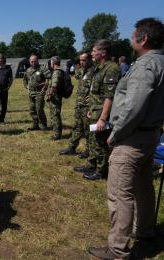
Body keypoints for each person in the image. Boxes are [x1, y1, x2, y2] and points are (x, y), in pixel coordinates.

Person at [89, 18, 164, 260]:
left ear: (143, 39)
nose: (130, 39)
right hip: (150, 135)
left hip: (132, 138)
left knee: (120, 195)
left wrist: (116, 133)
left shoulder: (145, 66)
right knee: (143, 187)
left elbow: (134, 107)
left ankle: (117, 249)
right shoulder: (160, 62)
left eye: (133, 36)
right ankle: (144, 230)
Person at [75, 40, 119, 181]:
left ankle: (101, 171)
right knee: (93, 140)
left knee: (101, 142)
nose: (92, 53)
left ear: (103, 52)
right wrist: (91, 109)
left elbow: (109, 96)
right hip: (94, 110)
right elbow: (96, 93)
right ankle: (92, 164)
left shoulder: (111, 68)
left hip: (101, 113)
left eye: (94, 51)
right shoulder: (99, 68)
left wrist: (103, 118)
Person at [59, 53, 94, 157]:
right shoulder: (82, 71)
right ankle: (72, 148)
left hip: (88, 106)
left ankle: (89, 150)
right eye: (80, 60)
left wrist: (92, 98)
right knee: (77, 127)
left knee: (88, 129)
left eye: (84, 60)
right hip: (79, 104)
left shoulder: (94, 72)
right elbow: (75, 75)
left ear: (90, 60)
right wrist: (71, 66)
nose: (81, 62)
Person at [23, 55, 50, 130]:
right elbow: (24, 79)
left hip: (39, 92)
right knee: (32, 109)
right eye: (32, 61)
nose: (33, 63)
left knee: (39, 109)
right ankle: (35, 124)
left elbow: (48, 78)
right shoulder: (28, 70)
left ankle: (44, 124)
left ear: (37, 61)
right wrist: (26, 86)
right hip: (31, 92)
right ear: (29, 61)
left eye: (35, 61)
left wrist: (45, 87)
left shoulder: (42, 68)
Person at [46, 56, 64, 140]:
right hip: (55, 96)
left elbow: (54, 86)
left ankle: (57, 134)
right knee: (54, 115)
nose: (50, 64)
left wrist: (49, 96)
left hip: (55, 98)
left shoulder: (56, 72)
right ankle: (57, 133)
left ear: (53, 63)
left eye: (51, 62)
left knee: (55, 115)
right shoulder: (57, 71)